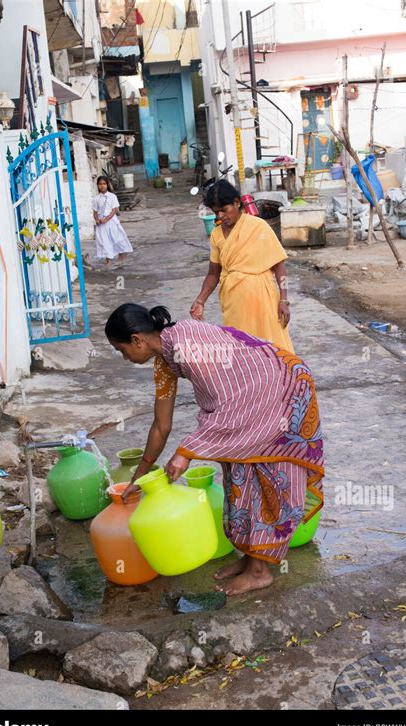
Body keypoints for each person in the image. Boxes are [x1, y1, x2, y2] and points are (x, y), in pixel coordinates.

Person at [105, 303, 324, 597]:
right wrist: (140, 477)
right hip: (250, 399)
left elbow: (230, 404)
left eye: (121, 351)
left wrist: (186, 451)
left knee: (267, 475)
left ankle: (260, 573)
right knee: (239, 472)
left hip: (281, 390)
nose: (125, 358)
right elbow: (161, 424)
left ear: (137, 340)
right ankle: (251, 558)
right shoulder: (165, 360)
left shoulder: (188, 342)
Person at [190, 179, 294, 352]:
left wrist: (283, 300)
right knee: (242, 351)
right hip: (234, 302)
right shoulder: (216, 235)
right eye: (216, 212)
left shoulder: (258, 227)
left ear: (237, 203)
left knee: (272, 349)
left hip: (263, 300)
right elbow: (213, 274)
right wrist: (200, 300)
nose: (220, 216)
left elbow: (279, 266)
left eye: (224, 210)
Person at [92, 176, 133, 267]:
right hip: (101, 224)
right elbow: (95, 212)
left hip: (111, 222)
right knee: (104, 241)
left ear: (107, 185)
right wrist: (97, 220)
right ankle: (108, 260)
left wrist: (106, 219)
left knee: (117, 238)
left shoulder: (112, 196)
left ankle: (122, 253)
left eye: (104, 184)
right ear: (97, 186)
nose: (102, 186)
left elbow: (115, 210)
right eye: (100, 184)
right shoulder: (96, 199)